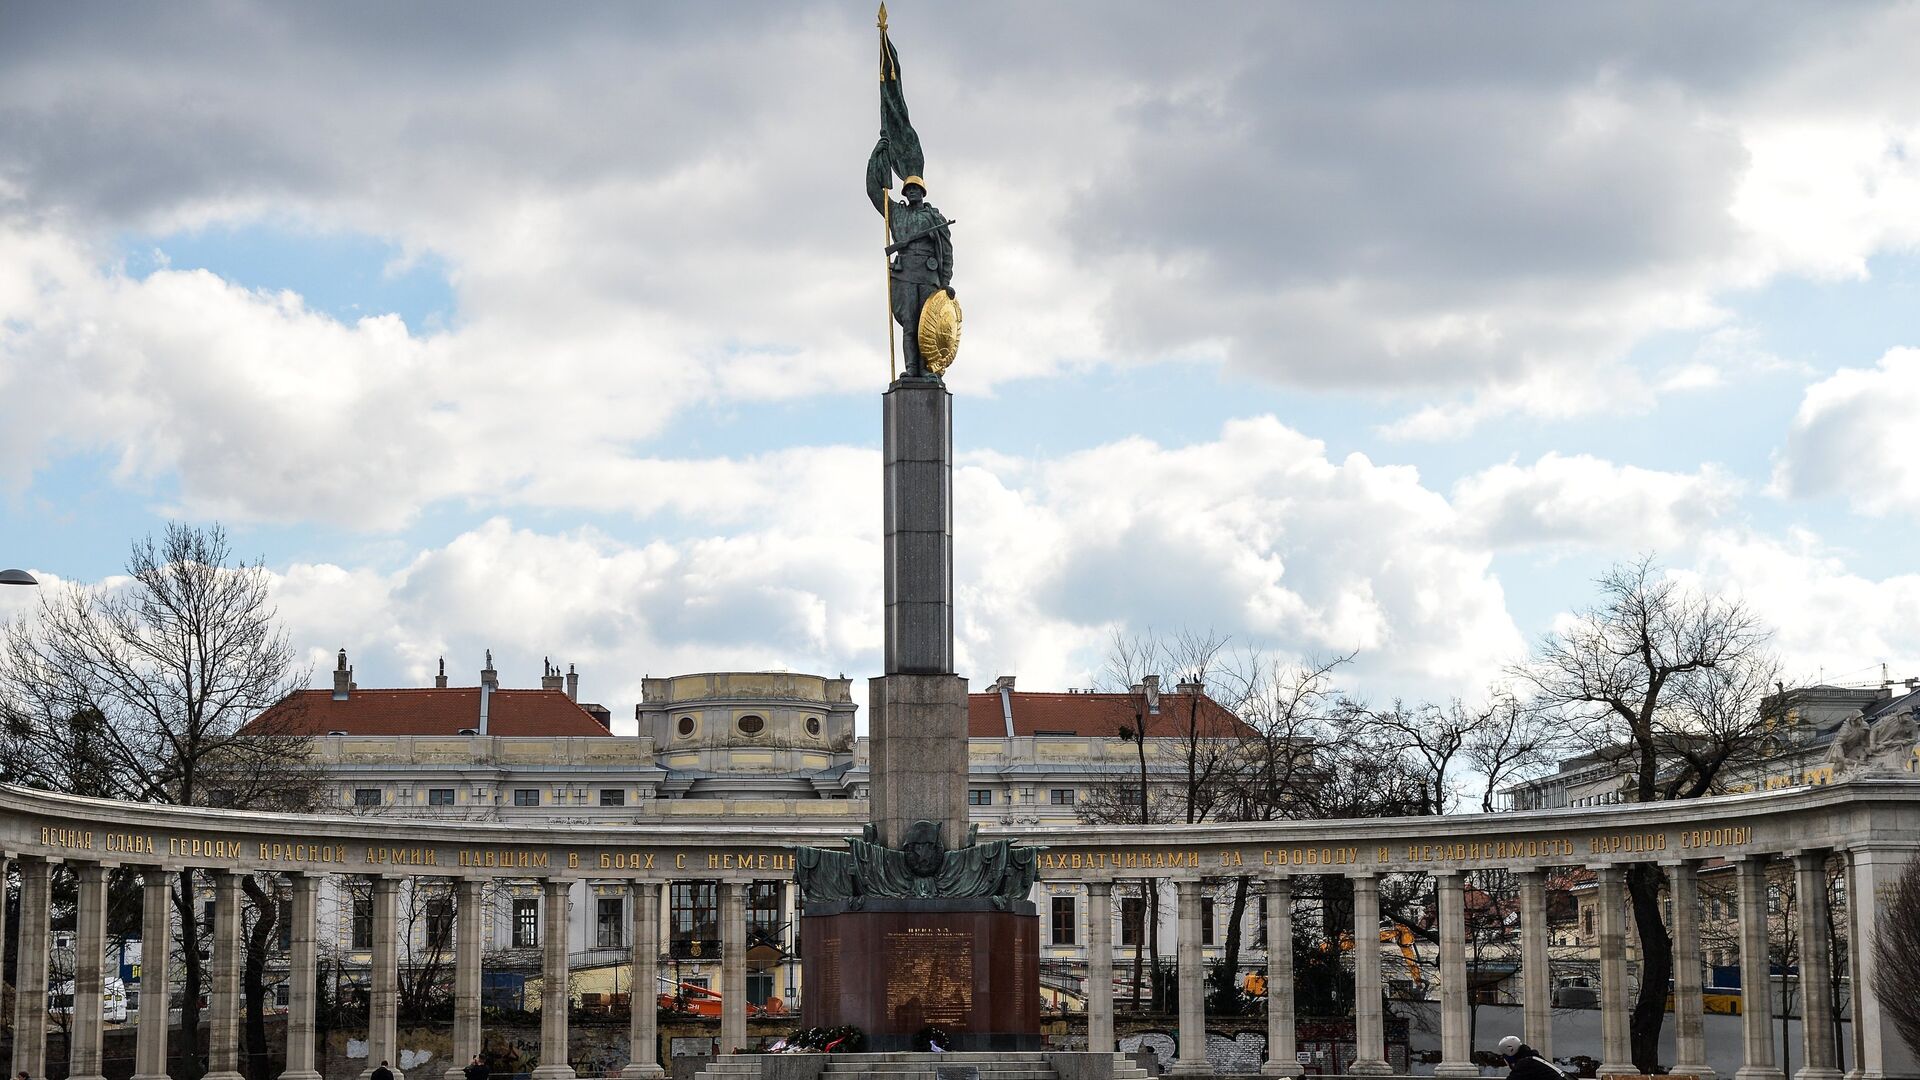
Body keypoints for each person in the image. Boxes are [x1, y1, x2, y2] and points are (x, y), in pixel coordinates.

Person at [866, 136, 954, 379]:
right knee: (909, 325)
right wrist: (876, 157)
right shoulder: (897, 214)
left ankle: (927, 369)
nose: (912, 191)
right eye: (909, 189)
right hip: (905, 274)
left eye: (916, 188)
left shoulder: (934, 218)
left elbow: (946, 251)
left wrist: (945, 282)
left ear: (923, 192)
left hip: (927, 274)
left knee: (929, 325)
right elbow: (874, 191)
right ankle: (912, 369)